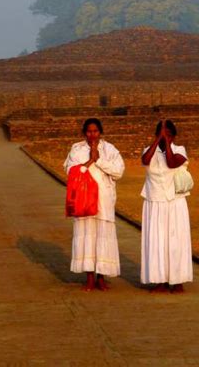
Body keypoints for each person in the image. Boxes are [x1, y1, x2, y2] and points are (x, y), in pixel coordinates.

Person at [64, 118, 125, 291]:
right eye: (89, 132)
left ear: (100, 132)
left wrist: (99, 160)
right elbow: (71, 171)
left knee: (102, 237)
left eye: (96, 131)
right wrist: (91, 160)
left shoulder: (110, 149)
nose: (93, 135)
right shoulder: (77, 149)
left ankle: (101, 277)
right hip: (83, 200)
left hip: (104, 200)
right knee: (87, 238)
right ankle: (89, 277)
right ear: (84, 133)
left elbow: (119, 171)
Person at [140, 119, 193, 293]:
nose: (166, 138)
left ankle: (177, 281)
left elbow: (171, 162)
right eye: (163, 134)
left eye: (169, 135)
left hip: (175, 203)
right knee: (157, 242)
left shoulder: (180, 150)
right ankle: (160, 281)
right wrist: (158, 140)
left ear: (174, 136)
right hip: (154, 203)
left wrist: (167, 142)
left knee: (176, 242)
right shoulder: (149, 151)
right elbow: (145, 161)